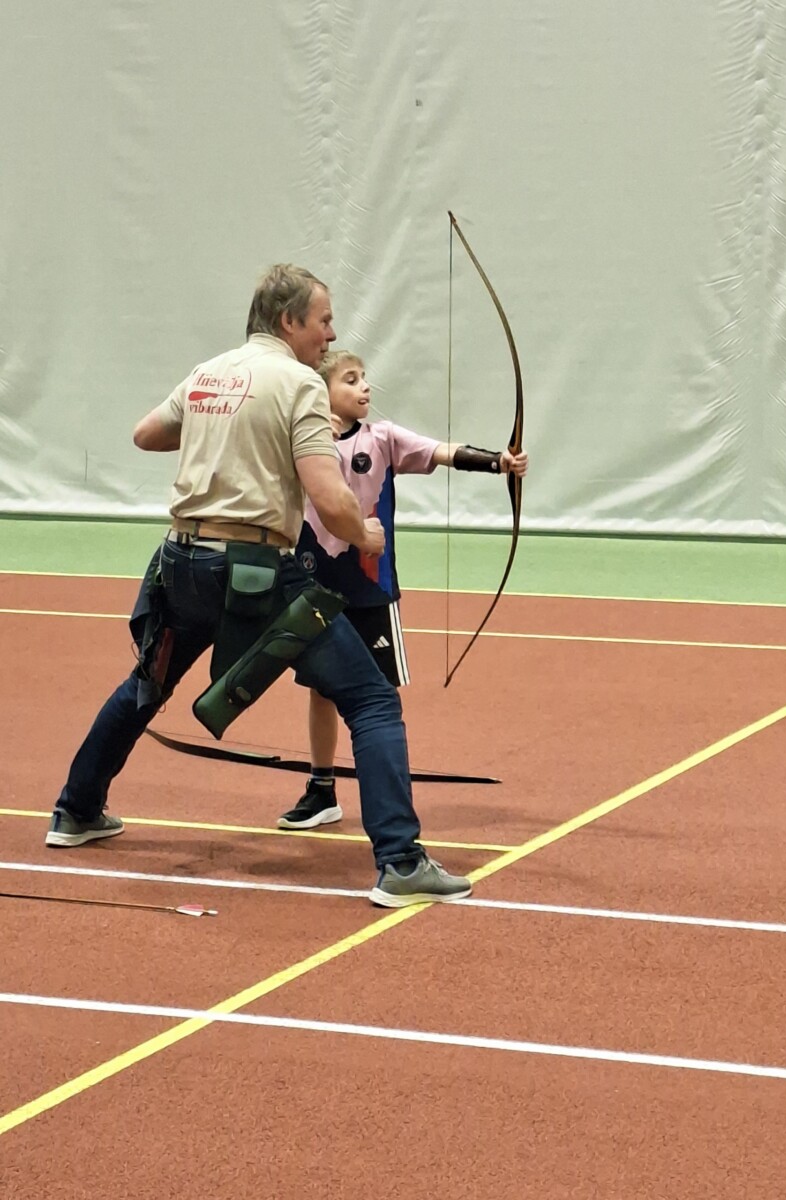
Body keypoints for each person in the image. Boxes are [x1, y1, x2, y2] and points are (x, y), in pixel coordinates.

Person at [46, 265, 473, 908]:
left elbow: (147, 434)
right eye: (323, 320)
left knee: (146, 684)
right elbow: (330, 498)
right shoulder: (300, 384)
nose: (331, 335)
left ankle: (76, 810)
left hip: (180, 562)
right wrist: (364, 534)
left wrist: (222, 431)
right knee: (371, 701)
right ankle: (401, 861)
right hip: (255, 571)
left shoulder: (210, 371)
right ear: (289, 321)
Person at [277, 348, 528, 832]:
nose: (365, 387)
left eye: (364, 377)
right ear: (320, 393)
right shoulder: (302, 443)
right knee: (321, 690)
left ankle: (389, 797)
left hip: (371, 588)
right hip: (315, 587)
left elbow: (441, 451)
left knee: (380, 697)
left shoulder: (383, 438)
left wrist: (499, 462)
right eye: (351, 379)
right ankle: (321, 789)